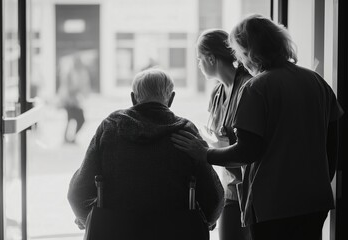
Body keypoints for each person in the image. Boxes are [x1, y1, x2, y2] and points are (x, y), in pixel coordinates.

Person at [171, 14, 344, 240]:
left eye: (240, 54)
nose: (240, 62)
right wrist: (319, 178)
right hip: (314, 201)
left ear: (249, 50)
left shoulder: (256, 88)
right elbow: (333, 140)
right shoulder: (316, 81)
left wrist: (204, 154)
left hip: (274, 203)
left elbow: (246, 151)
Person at [67, 68, 224, 237]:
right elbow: (214, 198)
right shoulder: (185, 131)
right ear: (171, 99)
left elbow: (78, 192)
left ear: (133, 98)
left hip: (117, 232)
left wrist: (87, 219)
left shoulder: (111, 128)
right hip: (174, 232)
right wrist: (206, 220)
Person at [196, 29, 252, 240]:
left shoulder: (248, 87)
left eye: (199, 59)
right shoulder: (217, 93)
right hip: (230, 187)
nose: (199, 65)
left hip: (251, 188)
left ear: (211, 58)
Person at [58, 55, 90, 144]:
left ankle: (70, 138)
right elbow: (69, 88)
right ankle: (68, 138)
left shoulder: (80, 72)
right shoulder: (70, 73)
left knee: (74, 120)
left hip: (76, 101)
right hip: (70, 101)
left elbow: (83, 85)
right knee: (72, 119)